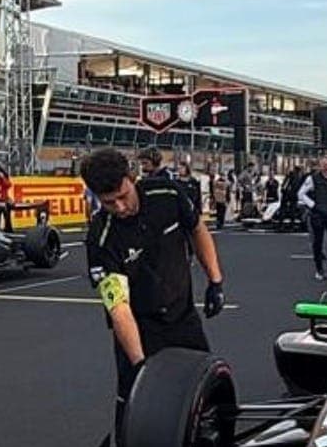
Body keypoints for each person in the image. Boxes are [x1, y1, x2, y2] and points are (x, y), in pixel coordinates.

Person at [79, 148, 225, 424]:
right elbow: (119, 308)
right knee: (137, 409)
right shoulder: (102, 238)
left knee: (205, 394)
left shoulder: (167, 195)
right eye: (109, 203)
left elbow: (196, 229)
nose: (120, 208)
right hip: (140, 327)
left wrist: (215, 281)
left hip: (183, 317)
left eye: (123, 196)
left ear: (131, 178)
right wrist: (142, 366)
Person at [298, 155, 327, 282]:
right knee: (317, 244)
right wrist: (313, 205)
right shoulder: (312, 179)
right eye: (325, 165)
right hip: (318, 215)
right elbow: (301, 194)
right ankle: (319, 270)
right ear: (321, 166)